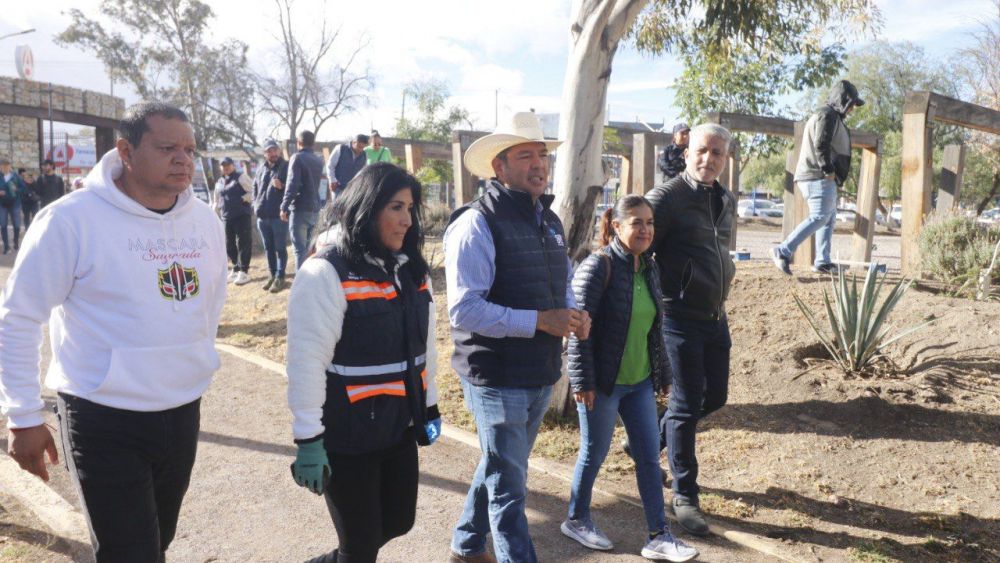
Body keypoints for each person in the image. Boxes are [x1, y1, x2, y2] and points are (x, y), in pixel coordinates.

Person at [0, 101, 227, 561]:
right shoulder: (70, 220)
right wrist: (23, 414)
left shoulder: (204, 220)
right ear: (126, 150)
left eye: (189, 148)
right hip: (103, 415)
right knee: (131, 554)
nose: (183, 158)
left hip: (182, 410)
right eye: (167, 148)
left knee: (157, 540)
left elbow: (210, 306)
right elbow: (19, 317)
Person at [446, 111, 590, 563]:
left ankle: (466, 546)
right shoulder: (475, 224)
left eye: (542, 155)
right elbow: (465, 309)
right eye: (524, 155)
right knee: (510, 485)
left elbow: (561, 279)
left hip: (538, 370)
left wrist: (572, 313)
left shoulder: (549, 222)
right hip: (495, 375)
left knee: (499, 466)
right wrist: (539, 322)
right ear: (499, 167)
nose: (538, 165)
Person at [286, 162, 441, 563]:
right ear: (366, 207)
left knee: (399, 522)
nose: (407, 220)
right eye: (395, 207)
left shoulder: (412, 271)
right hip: (346, 434)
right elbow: (306, 359)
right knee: (360, 548)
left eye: (410, 208)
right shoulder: (326, 271)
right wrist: (308, 439)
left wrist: (429, 405)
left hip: (398, 425)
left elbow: (427, 347)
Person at [563, 195, 699, 562]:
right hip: (603, 384)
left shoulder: (649, 268)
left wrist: (664, 375)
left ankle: (659, 535)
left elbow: (656, 329)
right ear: (617, 226)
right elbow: (577, 331)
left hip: (639, 382)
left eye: (650, 222)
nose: (645, 230)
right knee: (594, 453)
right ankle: (576, 518)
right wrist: (582, 382)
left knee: (649, 458)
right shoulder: (598, 267)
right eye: (636, 222)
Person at [645, 123, 737, 537]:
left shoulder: (724, 200)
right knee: (684, 405)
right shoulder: (666, 198)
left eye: (717, 153)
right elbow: (638, 250)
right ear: (686, 153)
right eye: (702, 151)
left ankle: (651, 438)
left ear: (725, 159)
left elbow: (719, 253)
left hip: (714, 316)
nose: (708, 159)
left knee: (714, 396)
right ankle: (684, 495)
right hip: (678, 318)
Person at [772, 80, 865, 275]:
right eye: (851, 105)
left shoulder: (830, 115)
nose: (852, 110)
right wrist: (828, 170)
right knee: (820, 216)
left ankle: (823, 261)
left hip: (818, 176)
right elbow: (821, 144)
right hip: (817, 176)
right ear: (842, 101)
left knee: (828, 218)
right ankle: (782, 251)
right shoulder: (827, 115)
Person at [281, 130, 325, 271]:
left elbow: (292, 185)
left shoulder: (297, 158)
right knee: (309, 249)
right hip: (315, 208)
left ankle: (301, 284)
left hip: (300, 208)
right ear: (313, 143)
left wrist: (284, 206)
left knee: (300, 250)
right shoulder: (319, 159)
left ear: (299, 143)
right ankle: (310, 281)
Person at [253, 138, 290, 292]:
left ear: (279, 151)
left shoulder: (286, 166)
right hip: (262, 216)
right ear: (265, 153)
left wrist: (282, 186)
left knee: (280, 248)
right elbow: (255, 187)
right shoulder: (261, 168)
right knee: (268, 248)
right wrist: (254, 205)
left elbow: (293, 187)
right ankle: (272, 275)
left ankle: (280, 277)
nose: (273, 153)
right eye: (269, 151)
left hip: (278, 216)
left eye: (275, 150)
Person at [217, 156, 254, 285]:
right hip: (226, 216)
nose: (225, 167)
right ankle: (236, 267)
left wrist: (243, 199)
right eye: (223, 165)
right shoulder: (220, 181)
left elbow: (252, 192)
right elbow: (218, 199)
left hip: (241, 215)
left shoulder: (241, 176)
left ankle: (244, 271)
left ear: (233, 165)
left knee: (243, 242)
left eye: (228, 164)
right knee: (229, 244)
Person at [325, 133, 369, 200]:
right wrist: (332, 180)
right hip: (338, 187)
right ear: (354, 142)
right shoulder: (340, 148)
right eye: (359, 146)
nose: (360, 150)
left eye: (363, 148)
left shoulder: (364, 155)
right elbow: (330, 165)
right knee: (337, 209)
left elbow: (363, 172)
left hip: (354, 190)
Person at [0, 158, 26, 254]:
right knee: (3, 225)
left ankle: (15, 242)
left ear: (10, 166)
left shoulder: (15, 176)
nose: (4, 168)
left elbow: (23, 187)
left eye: (6, 166)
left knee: (16, 225)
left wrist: (16, 190)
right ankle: (6, 246)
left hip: (15, 204)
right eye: (2, 166)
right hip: (2, 204)